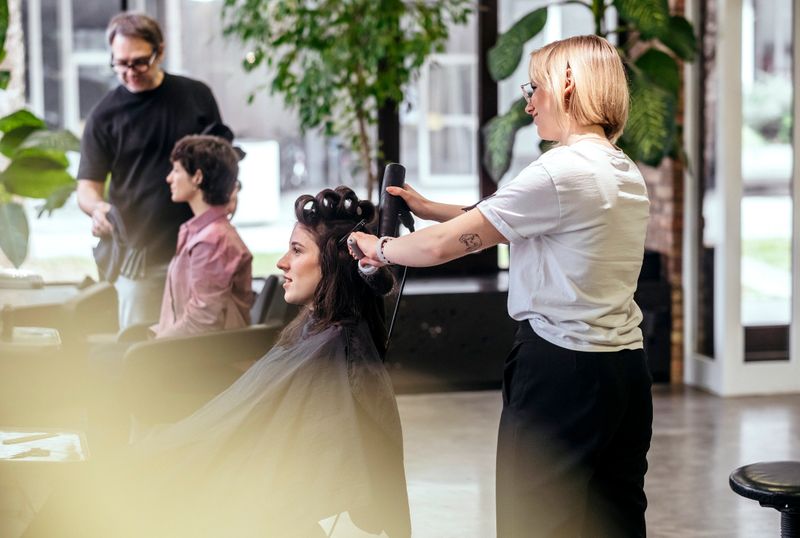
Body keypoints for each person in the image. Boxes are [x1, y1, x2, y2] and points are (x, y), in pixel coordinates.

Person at [350, 35, 652, 537]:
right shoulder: (620, 170)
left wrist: (375, 246)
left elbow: (439, 248)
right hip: (623, 369)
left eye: (534, 87)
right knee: (613, 517)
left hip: (560, 370)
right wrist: (430, 208)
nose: (528, 103)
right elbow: (518, 217)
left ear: (569, 83)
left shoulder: (560, 170)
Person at [26, 187, 411, 538]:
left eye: (296, 251)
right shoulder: (323, 334)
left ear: (335, 262)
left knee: (81, 496)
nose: (281, 263)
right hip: (212, 470)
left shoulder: (335, 350)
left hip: (223, 489)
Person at [77, 12, 227, 330]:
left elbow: (223, 161)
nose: (129, 72)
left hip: (201, 253)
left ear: (159, 51)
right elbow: (87, 188)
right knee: (139, 355)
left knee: (202, 350)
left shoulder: (196, 96)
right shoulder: (104, 116)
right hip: (138, 259)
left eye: (139, 62)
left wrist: (231, 193)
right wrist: (98, 208)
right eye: (120, 64)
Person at [149, 135, 253, 338]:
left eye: (176, 170)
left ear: (197, 177)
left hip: (201, 361)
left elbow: (201, 324)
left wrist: (152, 349)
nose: (169, 178)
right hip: (184, 353)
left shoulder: (213, 240)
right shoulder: (199, 233)